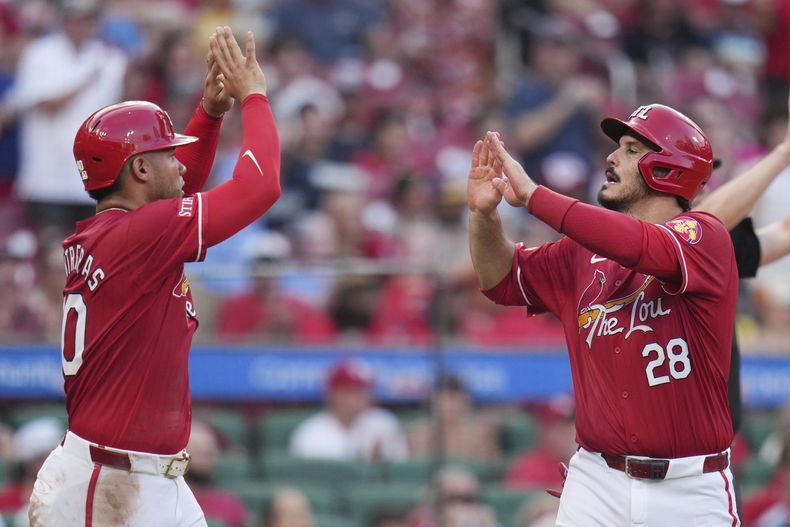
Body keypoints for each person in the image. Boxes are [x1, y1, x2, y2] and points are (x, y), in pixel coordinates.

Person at [28, 27, 280, 526]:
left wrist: (209, 115)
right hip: (110, 487)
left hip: (146, 477)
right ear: (140, 170)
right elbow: (261, 186)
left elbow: (173, 184)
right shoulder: (140, 235)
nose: (178, 162)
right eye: (166, 152)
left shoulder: (119, 230)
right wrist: (254, 97)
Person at [468, 105, 739, 525]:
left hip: (690, 487)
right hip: (597, 480)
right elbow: (500, 280)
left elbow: (645, 248)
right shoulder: (582, 251)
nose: (611, 158)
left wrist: (537, 198)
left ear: (668, 169)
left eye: (631, 150)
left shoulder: (704, 235)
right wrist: (485, 216)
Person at [4, 0, 127, 230]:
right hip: (45, 182)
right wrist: (86, 80)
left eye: (87, 18)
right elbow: (47, 104)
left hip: (91, 184)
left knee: (86, 258)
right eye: (75, 18)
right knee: (51, 256)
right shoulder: (39, 53)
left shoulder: (111, 57)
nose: (80, 24)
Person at [289, 359, 408, 462]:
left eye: (363, 391)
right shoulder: (310, 433)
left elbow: (400, 464)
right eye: (351, 392)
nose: (360, 398)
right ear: (332, 394)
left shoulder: (383, 422)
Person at [407, 372, 501, 462]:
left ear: (466, 401)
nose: (451, 405)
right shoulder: (419, 435)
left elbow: (490, 469)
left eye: (456, 399)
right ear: (434, 400)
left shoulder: (481, 434)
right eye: (445, 399)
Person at [185, 419, 249, 527]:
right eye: (198, 451)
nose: (205, 459)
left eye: (209, 452)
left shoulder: (229, 503)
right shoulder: (172, 502)